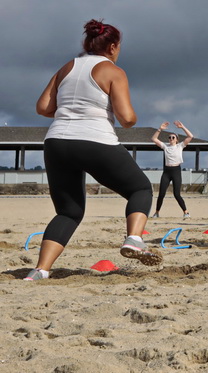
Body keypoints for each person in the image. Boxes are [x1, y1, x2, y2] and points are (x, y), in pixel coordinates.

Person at [26, 19, 161, 280]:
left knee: (68, 212)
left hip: (56, 142)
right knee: (140, 189)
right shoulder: (113, 71)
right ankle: (133, 238)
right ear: (112, 46)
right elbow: (127, 118)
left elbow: (42, 108)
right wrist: (127, 117)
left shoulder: (66, 67)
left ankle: (39, 271)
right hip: (93, 139)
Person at [150, 121, 193, 218]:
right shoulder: (165, 147)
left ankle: (186, 212)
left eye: (173, 137)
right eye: (169, 137)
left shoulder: (180, 146)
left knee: (176, 194)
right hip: (167, 172)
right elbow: (154, 138)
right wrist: (160, 129)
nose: (171, 139)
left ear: (177, 139)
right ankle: (157, 213)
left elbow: (190, 136)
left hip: (176, 171)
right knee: (161, 194)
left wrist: (182, 127)